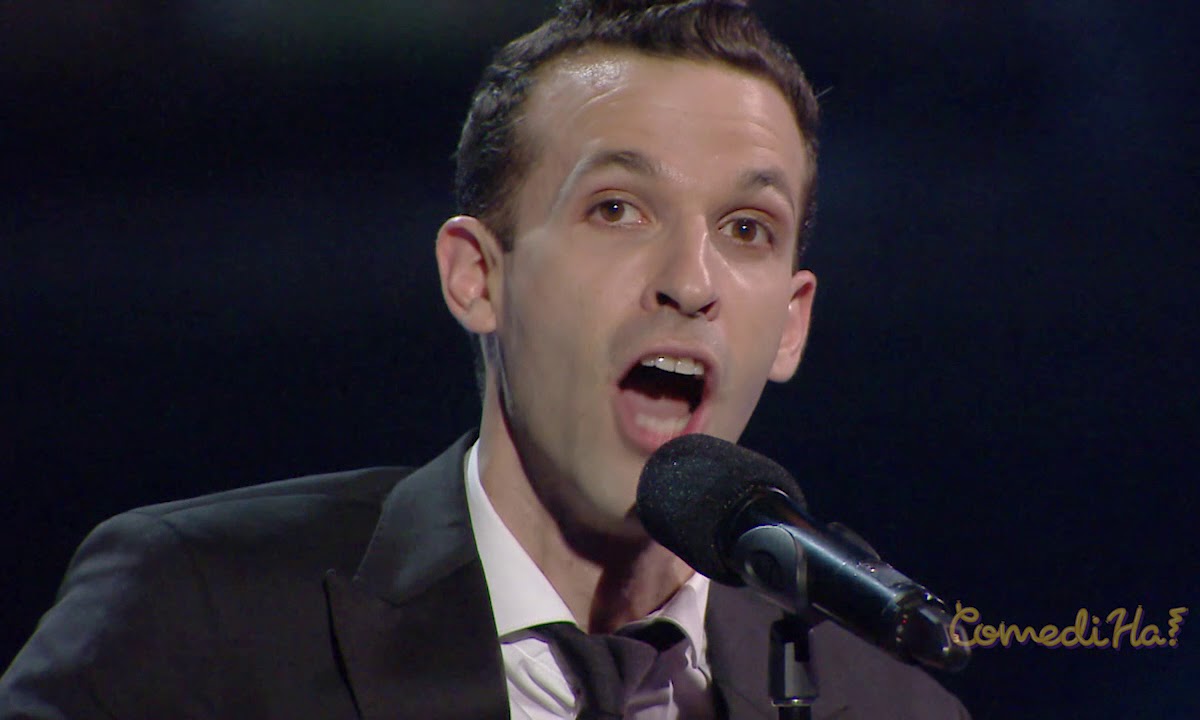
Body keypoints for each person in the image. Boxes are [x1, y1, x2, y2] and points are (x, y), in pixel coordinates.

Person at [1, 1, 969, 717]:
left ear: (791, 324)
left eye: (747, 227)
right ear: (476, 276)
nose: (690, 279)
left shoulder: (884, 705)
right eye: (617, 209)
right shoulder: (197, 619)